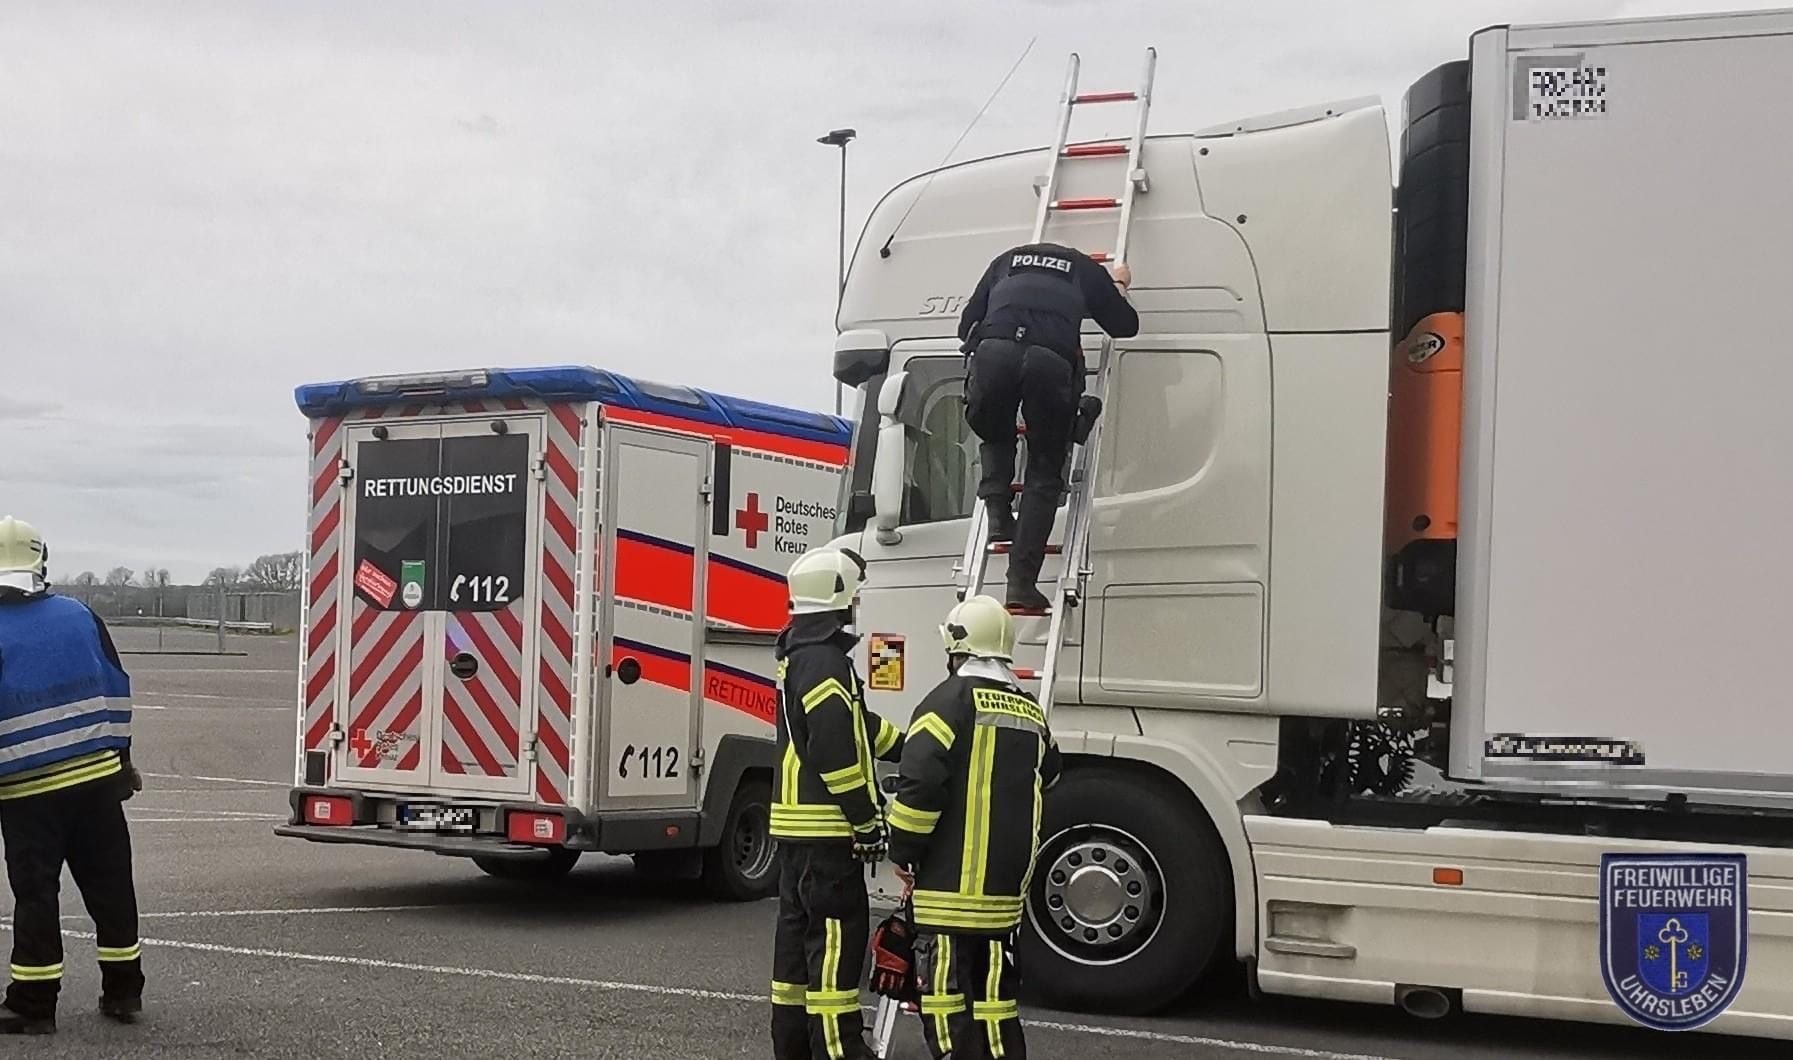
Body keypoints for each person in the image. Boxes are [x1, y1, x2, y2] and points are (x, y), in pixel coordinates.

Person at [886, 595, 1061, 1060]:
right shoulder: (1030, 712)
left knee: (945, 1005)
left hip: (949, 892)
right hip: (1004, 896)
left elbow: (919, 783)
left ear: (956, 646)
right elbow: (1052, 774)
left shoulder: (946, 703)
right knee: (995, 1006)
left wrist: (902, 851)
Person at [0, 517, 144, 1036]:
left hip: (26, 790)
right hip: (98, 779)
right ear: (40, 561)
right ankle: (124, 991)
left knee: (37, 892)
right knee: (111, 888)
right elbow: (116, 686)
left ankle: (33, 1003)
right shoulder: (81, 615)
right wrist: (122, 761)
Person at [769, 546, 905, 1060]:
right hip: (827, 836)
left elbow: (852, 727)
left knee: (796, 961)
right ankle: (839, 1051)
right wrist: (868, 822)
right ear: (840, 599)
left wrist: (905, 743)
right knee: (832, 955)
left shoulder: (801, 657)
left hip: (798, 834)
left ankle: (794, 1049)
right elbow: (834, 750)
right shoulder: (826, 663)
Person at [956, 243, 1139, 610]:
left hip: (993, 355)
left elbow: (966, 327)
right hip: (1048, 363)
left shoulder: (1005, 260)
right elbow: (1125, 325)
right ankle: (1021, 583)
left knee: (995, 429)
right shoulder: (1085, 270)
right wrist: (1117, 287)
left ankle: (998, 516)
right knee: (1043, 471)